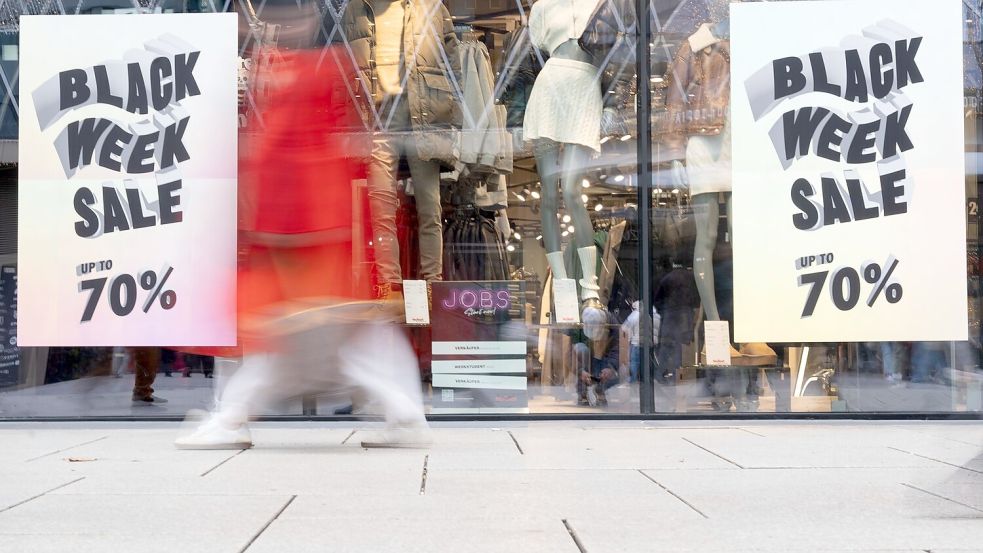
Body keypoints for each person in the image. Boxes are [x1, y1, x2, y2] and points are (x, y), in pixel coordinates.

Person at [175, 45, 429, 450]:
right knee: (331, 334)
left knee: (291, 332)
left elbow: (285, 154)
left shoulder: (303, 74)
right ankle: (404, 413)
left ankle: (230, 417)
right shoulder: (321, 69)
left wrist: (267, 229)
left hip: (300, 227)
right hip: (313, 224)